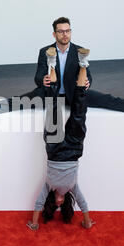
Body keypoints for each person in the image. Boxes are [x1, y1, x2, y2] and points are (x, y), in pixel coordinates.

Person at [0, 16, 124, 116]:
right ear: (54, 34)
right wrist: (43, 79)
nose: (65, 34)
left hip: (72, 93)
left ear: (71, 32)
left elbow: (89, 76)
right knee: (18, 101)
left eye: (68, 31)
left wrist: (86, 84)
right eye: (60, 31)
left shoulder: (79, 51)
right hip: (49, 94)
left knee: (108, 100)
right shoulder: (45, 51)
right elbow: (38, 75)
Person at [27, 48, 95, 231]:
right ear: (65, 203)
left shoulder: (48, 187)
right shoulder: (73, 188)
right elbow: (83, 203)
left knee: (53, 104)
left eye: (54, 205)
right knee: (80, 107)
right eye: (61, 205)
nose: (58, 202)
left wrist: (34, 223)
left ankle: (51, 64)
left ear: (52, 201)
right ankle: (83, 63)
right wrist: (87, 222)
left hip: (55, 149)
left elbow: (39, 203)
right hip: (74, 149)